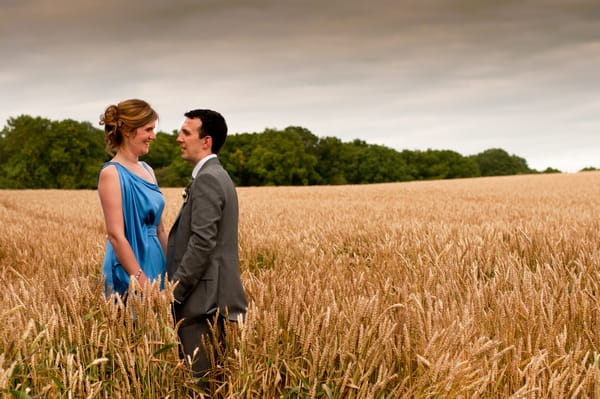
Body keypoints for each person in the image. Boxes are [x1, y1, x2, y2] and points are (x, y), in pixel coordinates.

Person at [166, 109, 247, 388]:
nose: (179, 139)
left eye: (186, 133)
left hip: (203, 302)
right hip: (211, 298)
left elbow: (202, 242)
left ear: (206, 141)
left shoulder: (209, 179)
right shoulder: (217, 175)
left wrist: (173, 292)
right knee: (212, 383)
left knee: (200, 386)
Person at [98, 99, 167, 297]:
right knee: (132, 325)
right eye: (148, 129)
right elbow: (116, 236)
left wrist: (174, 267)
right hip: (130, 267)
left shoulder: (148, 170)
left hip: (156, 260)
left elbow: (160, 229)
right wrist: (145, 286)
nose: (153, 136)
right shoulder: (111, 173)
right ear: (128, 130)